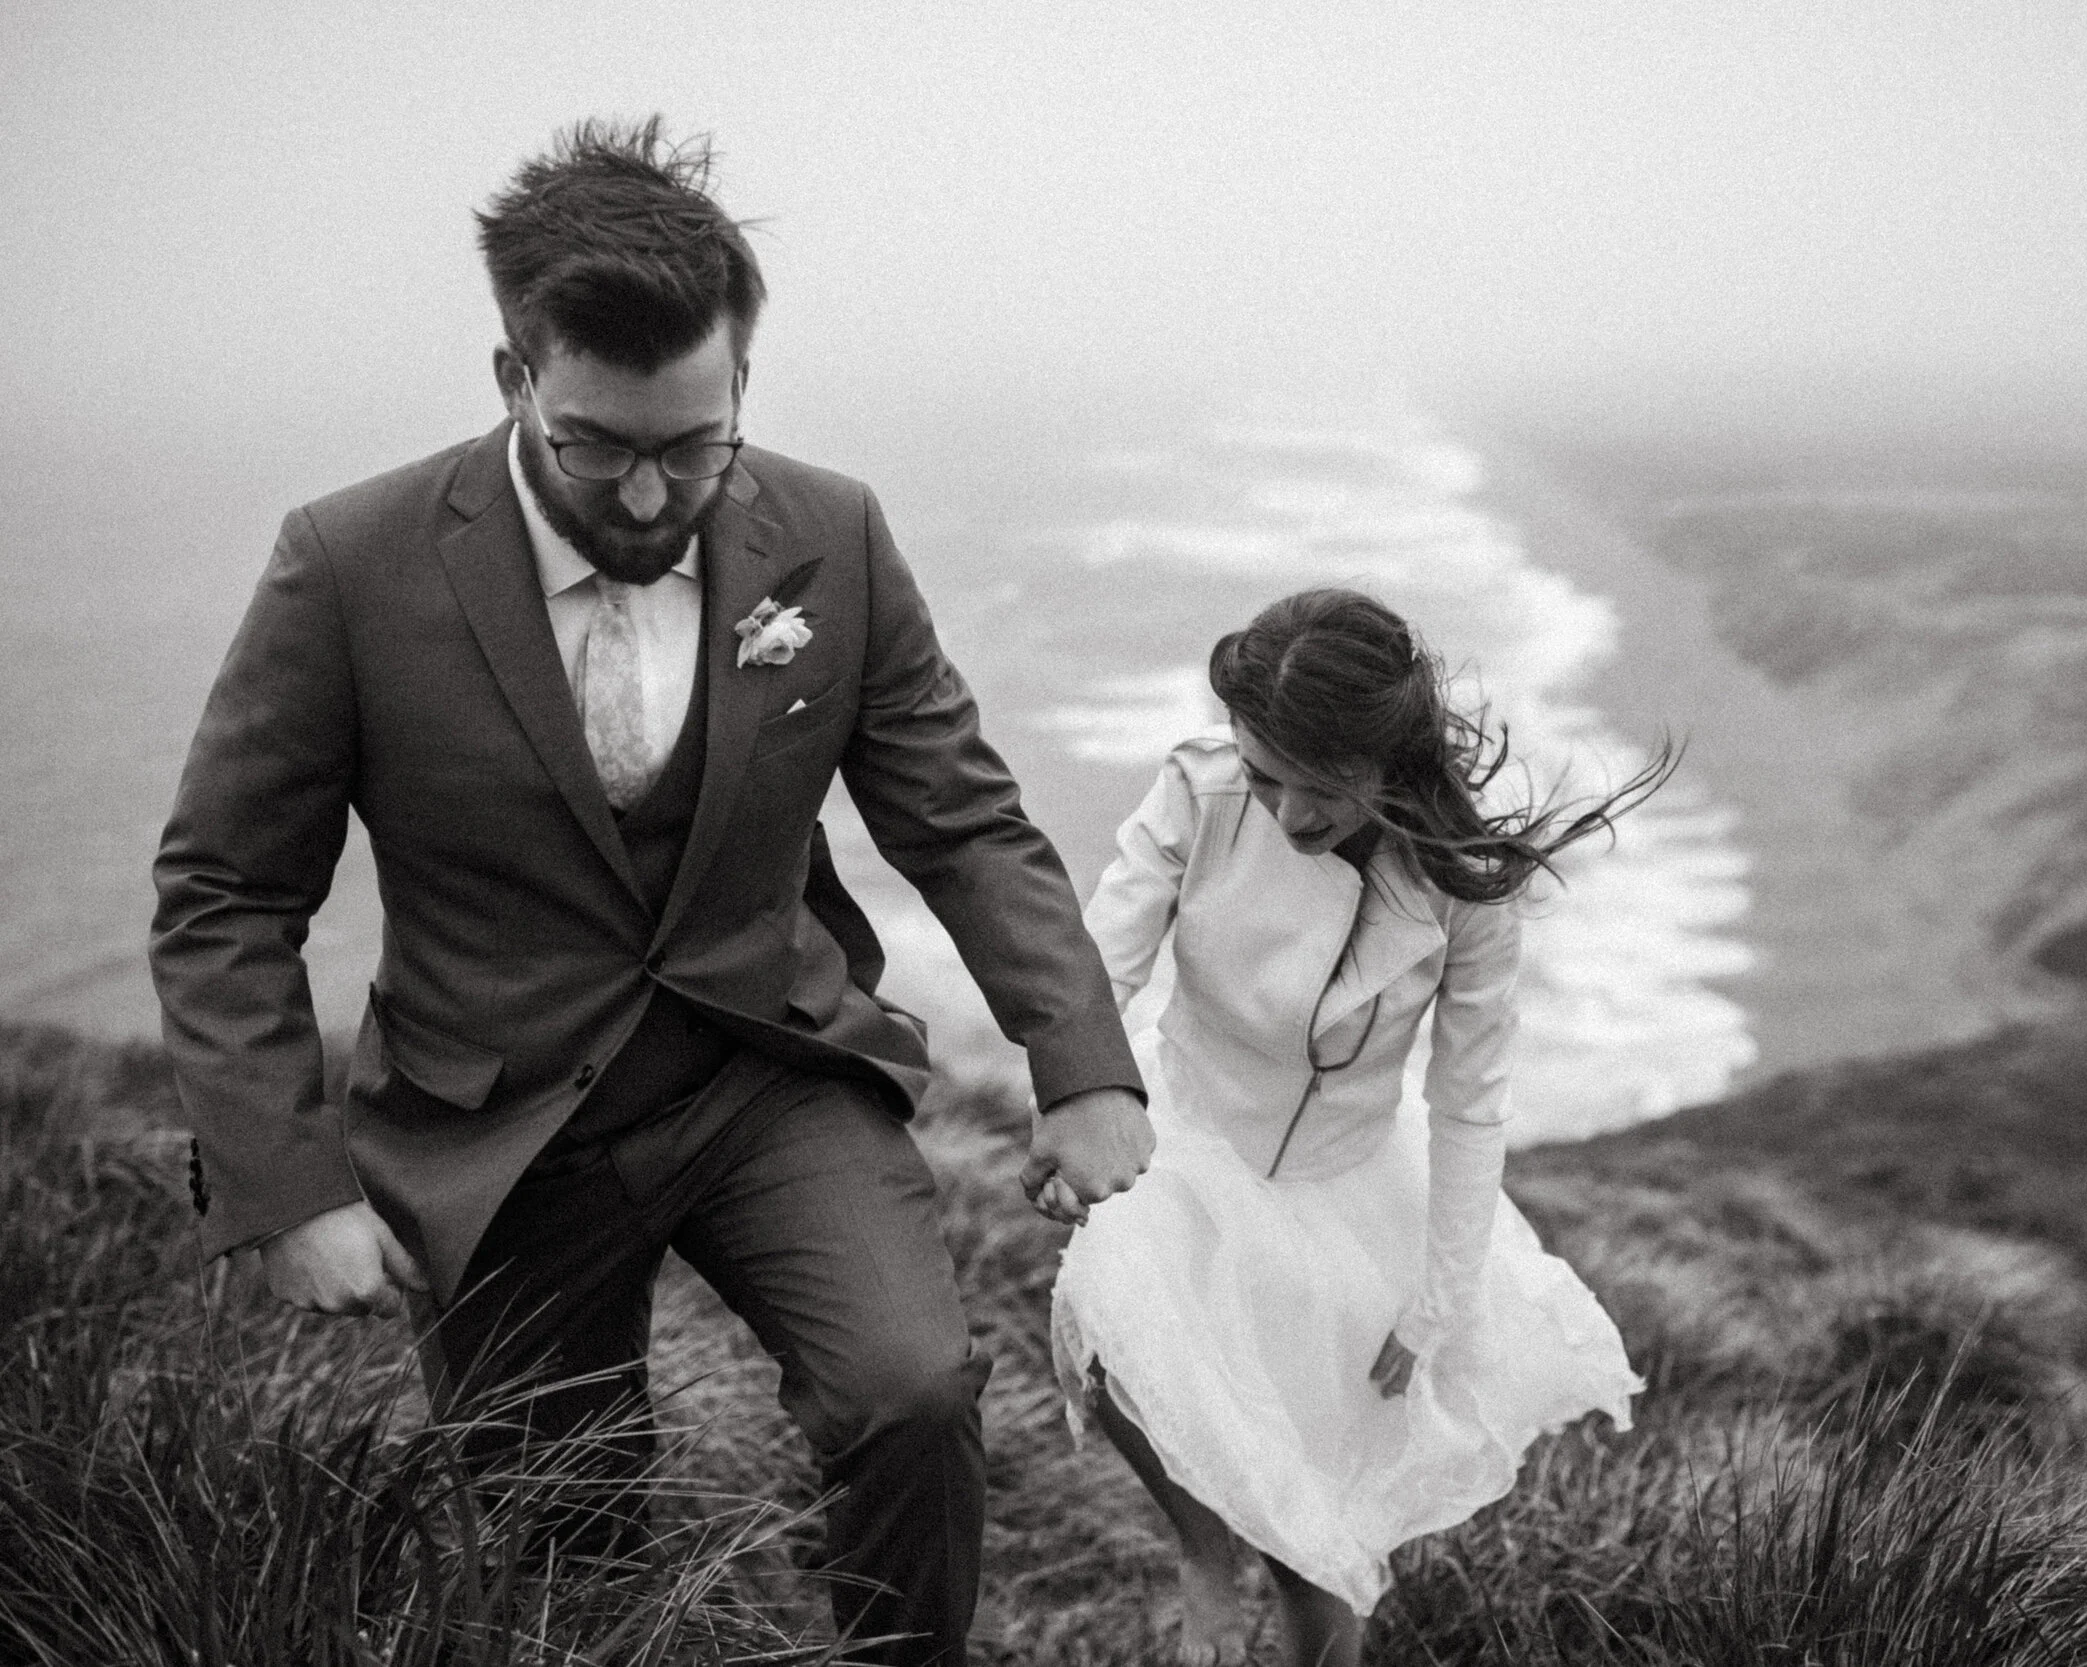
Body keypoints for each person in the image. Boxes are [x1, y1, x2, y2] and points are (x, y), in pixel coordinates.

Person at [148, 117, 1152, 1667]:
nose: (645, 494)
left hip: (768, 1067)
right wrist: (291, 1183)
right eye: (597, 446)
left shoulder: (831, 532)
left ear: (742, 377)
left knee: (911, 1389)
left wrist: (1080, 1064)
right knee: (563, 1531)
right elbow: (224, 885)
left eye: (693, 446)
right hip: (499, 1121)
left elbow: (961, 817)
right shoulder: (347, 563)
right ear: (513, 381)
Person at [1049, 588, 1656, 1665]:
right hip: (1190, 1152)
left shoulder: (1468, 889)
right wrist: (1076, 1098)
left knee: (1321, 1567)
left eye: (1318, 785)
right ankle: (1203, 1555)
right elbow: (1102, 965)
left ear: (1390, 758)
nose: (1284, 813)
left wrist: (1437, 1297)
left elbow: (1468, 1098)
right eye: (1265, 775)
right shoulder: (1197, 785)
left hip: (1349, 1203)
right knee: (1106, 1320)